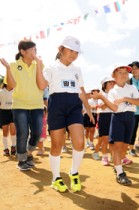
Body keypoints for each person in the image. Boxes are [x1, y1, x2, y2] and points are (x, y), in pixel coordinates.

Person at [36, 36, 95, 193]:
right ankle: (56, 178)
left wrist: (89, 110)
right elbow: (41, 85)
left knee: (79, 142)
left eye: (76, 52)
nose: (74, 54)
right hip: (57, 107)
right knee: (57, 145)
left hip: (74, 107)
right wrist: (38, 66)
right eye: (70, 50)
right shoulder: (51, 68)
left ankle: (74, 172)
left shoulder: (77, 70)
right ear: (60, 49)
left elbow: (81, 92)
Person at [91, 64, 139, 186]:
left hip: (130, 118)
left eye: (125, 72)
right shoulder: (113, 91)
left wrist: (125, 98)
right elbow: (114, 108)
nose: (124, 74)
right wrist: (102, 97)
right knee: (118, 147)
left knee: (124, 150)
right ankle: (120, 173)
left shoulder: (132, 88)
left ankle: (117, 164)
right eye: (120, 72)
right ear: (114, 76)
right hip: (118, 118)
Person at [0, 40, 44, 171]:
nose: (35, 52)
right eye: (32, 50)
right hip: (19, 104)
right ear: (23, 52)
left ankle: (29, 153)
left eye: (35, 49)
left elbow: (41, 83)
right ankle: (22, 160)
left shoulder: (39, 64)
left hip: (37, 104)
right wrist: (8, 69)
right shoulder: (13, 65)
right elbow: (12, 85)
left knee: (36, 133)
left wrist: (39, 64)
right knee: (23, 132)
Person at [92, 76, 115, 166]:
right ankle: (104, 157)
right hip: (104, 117)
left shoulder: (115, 93)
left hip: (113, 116)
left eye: (113, 82)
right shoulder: (101, 94)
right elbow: (103, 107)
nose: (112, 84)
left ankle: (111, 155)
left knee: (112, 140)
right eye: (110, 82)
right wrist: (109, 100)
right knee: (105, 139)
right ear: (104, 85)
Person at [0, 82, 16, 156]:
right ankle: (6, 148)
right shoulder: (1, 91)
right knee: (5, 131)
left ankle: (14, 147)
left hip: (13, 111)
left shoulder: (15, 90)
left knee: (13, 131)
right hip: (3, 112)